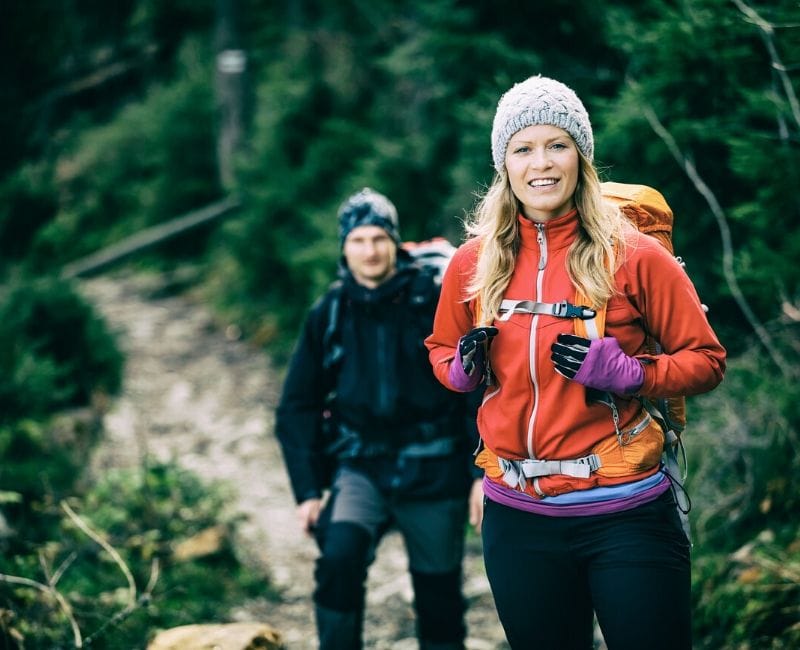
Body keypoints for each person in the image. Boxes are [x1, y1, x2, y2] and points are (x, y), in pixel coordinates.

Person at [425, 75, 726, 650]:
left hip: (627, 513)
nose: (542, 163)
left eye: (557, 144)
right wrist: (461, 369)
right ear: (504, 164)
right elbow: (441, 350)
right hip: (518, 518)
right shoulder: (473, 262)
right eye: (523, 148)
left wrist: (633, 373)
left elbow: (707, 360)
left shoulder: (636, 256)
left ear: (581, 158)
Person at [275, 187, 482, 650]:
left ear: (394, 243)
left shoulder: (433, 299)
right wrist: (308, 489)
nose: (369, 251)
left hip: (435, 469)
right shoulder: (330, 311)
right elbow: (297, 404)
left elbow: (474, 388)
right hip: (361, 469)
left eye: (378, 239)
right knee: (338, 562)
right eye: (358, 241)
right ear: (344, 248)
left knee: (439, 595)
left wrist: (478, 471)